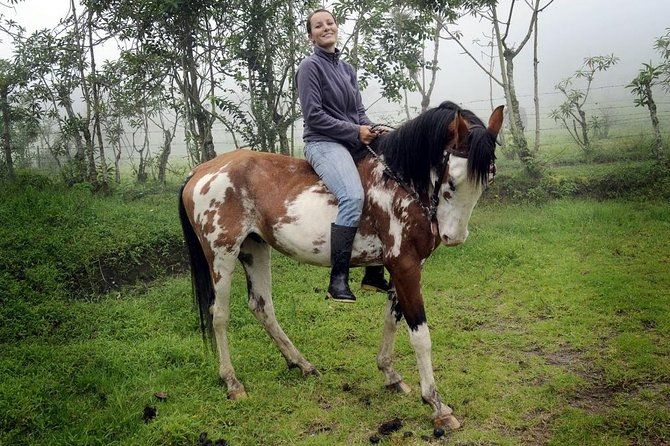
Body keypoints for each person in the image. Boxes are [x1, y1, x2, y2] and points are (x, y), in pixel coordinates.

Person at [296, 8, 389, 303]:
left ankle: (374, 273)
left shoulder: (347, 69)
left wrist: (373, 128)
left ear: (337, 28)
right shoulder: (310, 67)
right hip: (324, 142)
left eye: (330, 23)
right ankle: (337, 280)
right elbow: (314, 116)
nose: (326, 28)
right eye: (318, 26)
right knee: (352, 195)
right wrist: (355, 132)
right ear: (311, 35)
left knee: (386, 184)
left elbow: (358, 113)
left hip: (352, 141)